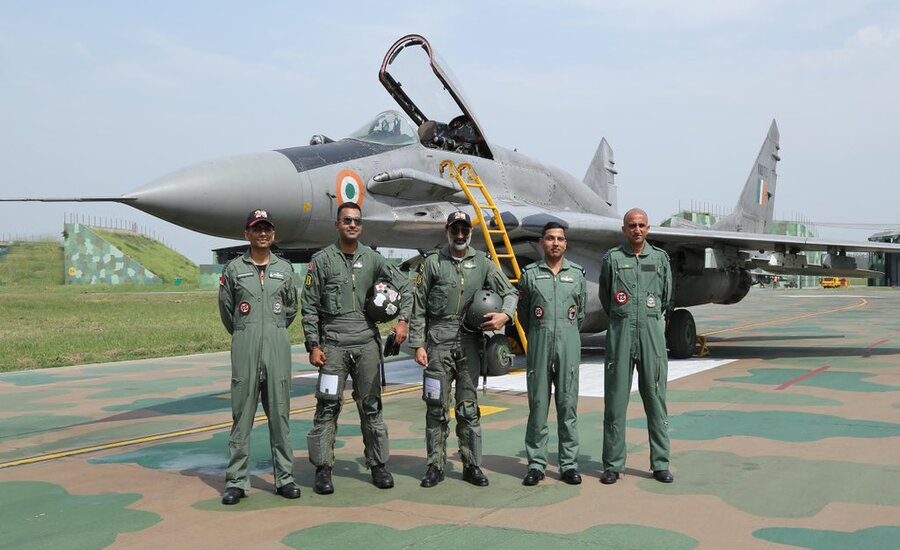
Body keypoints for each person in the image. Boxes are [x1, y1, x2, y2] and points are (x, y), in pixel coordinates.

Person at [301, 201, 412, 495]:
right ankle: (323, 469)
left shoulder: (374, 260)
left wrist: (403, 323)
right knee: (327, 406)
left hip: (366, 343)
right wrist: (313, 345)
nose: (352, 225)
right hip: (332, 345)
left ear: (361, 226)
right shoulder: (322, 261)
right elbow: (309, 307)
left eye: (357, 221)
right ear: (337, 225)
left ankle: (377, 465)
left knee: (372, 406)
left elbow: (406, 287)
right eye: (347, 220)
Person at [408, 211, 518, 488]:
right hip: (438, 343)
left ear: (470, 232)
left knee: (468, 408)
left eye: (464, 230)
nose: (460, 235)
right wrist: (417, 344)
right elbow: (418, 306)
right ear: (447, 231)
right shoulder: (433, 263)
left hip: (470, 343)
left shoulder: (483, 263)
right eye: (455, 230)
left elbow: (511, 292)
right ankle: (435, 465)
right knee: (436, 407)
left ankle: (472, 465)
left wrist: (505, 315)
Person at [218, 209, 301, 505]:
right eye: (257, 228)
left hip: (277, 345)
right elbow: (227, 312)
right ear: (247, 235)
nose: (263, 233)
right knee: (242, 416)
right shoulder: (233, 270)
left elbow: (291, 308)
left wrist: (274, 330)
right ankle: (237, 481)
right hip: (245, 344)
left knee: (280, 415)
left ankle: (285, 478)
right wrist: (246, 331)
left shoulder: (285, 269)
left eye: (267, 228)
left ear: (273, 234)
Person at [598, 208, 674, 484]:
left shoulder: (660, 259)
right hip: (620, 334)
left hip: (652, 335)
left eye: (641, 225)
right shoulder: (613, 259)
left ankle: (661, 463)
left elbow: (666, 297)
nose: (637, 230)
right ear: (624, 229)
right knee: (616, 402)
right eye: (632, 225)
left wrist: (647, 320)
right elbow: (607, 297)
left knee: (656, 400)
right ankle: (613, 465)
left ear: (648, 229)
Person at [518, 222, 587, 486]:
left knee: (568, 406)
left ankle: (568, 464)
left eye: (559, 239)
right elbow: (524, 314)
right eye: (550, 238)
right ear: (541, 243)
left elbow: (578, 314)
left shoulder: (577, 275)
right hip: (539, 344)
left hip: (568, 345)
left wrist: (564, 335)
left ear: (565, 244)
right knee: (537, 406)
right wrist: (540, 334)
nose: (555, 243)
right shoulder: (530, 275)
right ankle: (536, 464)